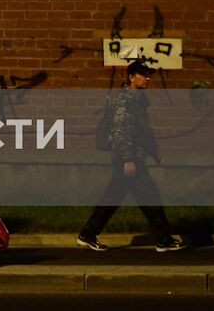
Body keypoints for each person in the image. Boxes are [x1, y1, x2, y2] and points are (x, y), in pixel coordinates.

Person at [76, 60, 186, 252]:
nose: (148, 79)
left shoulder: (138, 100)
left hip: (134, 158)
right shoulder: (124, 101)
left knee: (112, 199)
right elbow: (121, 132)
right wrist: (128, 160)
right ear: (132, 77)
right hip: (129, 160)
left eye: (149, 75)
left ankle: (87, 234)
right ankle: (163, 239)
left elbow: (144, 131)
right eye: (144, 75)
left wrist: (155, 152)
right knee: (151, 198)